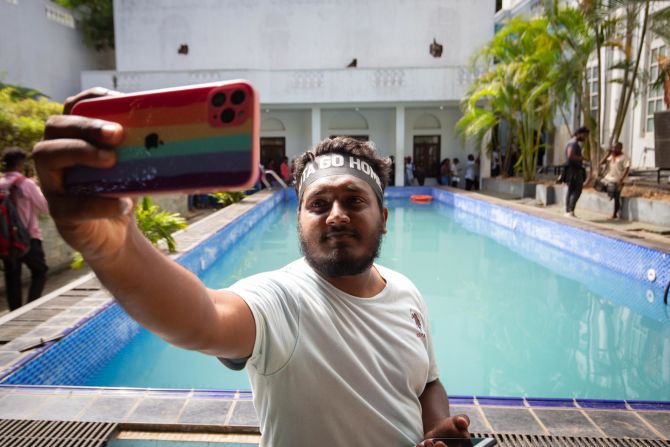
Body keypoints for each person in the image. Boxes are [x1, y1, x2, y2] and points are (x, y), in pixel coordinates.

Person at [33, 88, 470, 447]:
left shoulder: (407, 291)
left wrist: (436, 430)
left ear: (385, 215)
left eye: (354, 200)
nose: (336, 215)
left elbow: (428, 383)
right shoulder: (281, 300)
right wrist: (116, 248)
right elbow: (201, 318)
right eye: (318, 204)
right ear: (298, 219)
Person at [0, 147, 49, 311]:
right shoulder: (26, 184)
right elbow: (45, 207)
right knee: (40, 271)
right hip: (29, 237)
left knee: (12, 278)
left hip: (6, 241)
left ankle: (16, 312)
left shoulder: (0, 184)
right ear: (21, 164)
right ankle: (32, 306)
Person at [596, 141, 630, 219]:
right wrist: (608, 154)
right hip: (609, 177)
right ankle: (610, 194)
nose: (613, 149)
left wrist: (621, 179)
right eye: (613, 147)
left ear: (620, 148)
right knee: (598, 184)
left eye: (615, 147)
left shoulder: (624, 157)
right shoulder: (611, 156)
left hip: (618, 179)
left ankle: (614, 214)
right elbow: (601, 162)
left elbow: (626, 168)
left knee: (616, 196)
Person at [564, 127, 589, 217]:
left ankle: (568, 211)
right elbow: (570, 155)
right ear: (579, 134)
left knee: (571, 190)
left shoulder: (570, 142)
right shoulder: (574, 143)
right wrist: (582, 158)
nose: (585, 138)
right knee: (577, 190)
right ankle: (570, 210)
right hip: (574, 170)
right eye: (584, 135)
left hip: (571, 169)